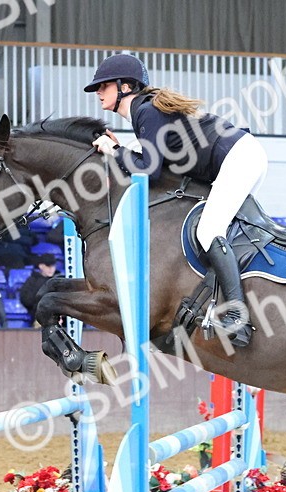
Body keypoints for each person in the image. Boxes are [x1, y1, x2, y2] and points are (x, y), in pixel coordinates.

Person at [85, 53, 260, 346]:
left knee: (208, 231)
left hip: (238, 159)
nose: (98, 92)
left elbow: (149, 171)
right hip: (238, 157)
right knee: (211, 232)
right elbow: (151, 163)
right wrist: (120, 151)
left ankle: (237, 318)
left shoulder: (147, 111)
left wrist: (113, 151)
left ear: (125, 86)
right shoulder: (146, 112)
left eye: (104, 86)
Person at [19, 253, 59, 324]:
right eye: (48, 266)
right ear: (41, 266)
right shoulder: (32, 281)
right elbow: (26, 299)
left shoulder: (59, 280)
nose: (51, 269)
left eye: (53, 266)